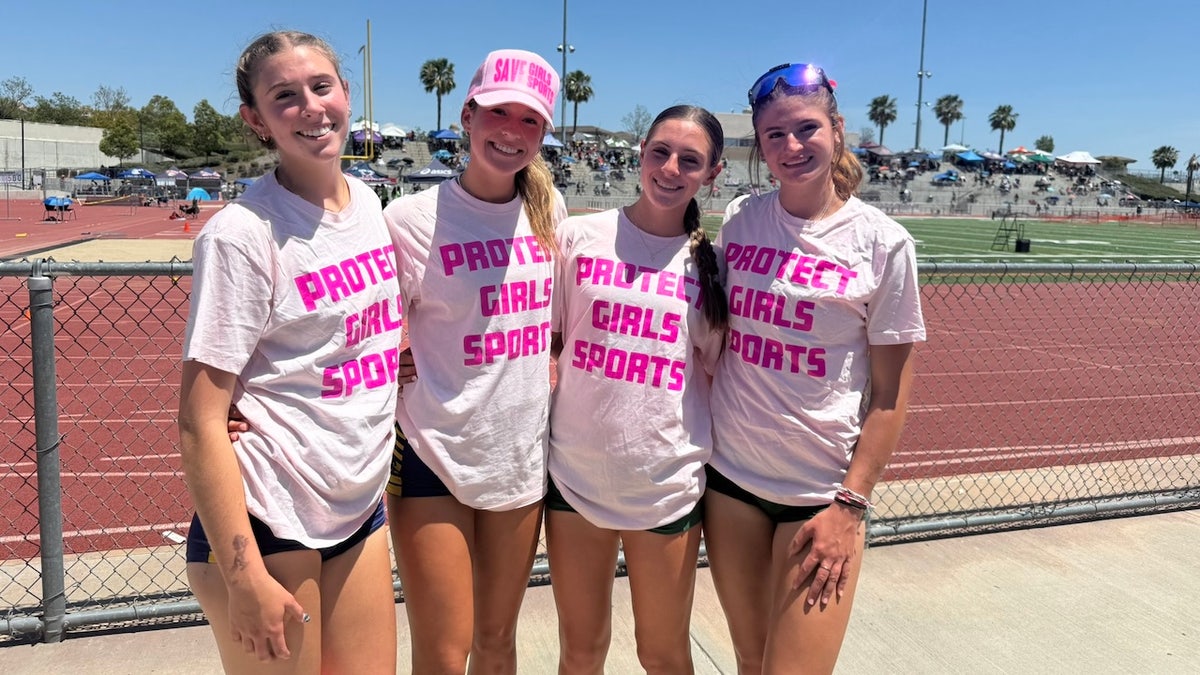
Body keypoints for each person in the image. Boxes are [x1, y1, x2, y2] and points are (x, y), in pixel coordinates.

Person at [177, 30, 401, 673]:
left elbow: (351, 335)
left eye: (320, 86)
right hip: (269, 519)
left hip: (358, 507)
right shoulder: (241, 237)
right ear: (256, 119)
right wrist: (243, 577)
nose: (310, 107)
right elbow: (199, 420)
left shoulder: (367, 201)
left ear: (346, 93)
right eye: (284, 96)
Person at [703, 63, 926, 673]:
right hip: (730, 485)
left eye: (805, 128)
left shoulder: (883, 244)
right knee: (751, 660)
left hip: (819, 496)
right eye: (774, 134)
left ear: (837, 129)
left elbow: (889, 397)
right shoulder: (742, 219)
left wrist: (850, 507)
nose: (791, 146)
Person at [382, 48, 566, 673]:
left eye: (531, 121)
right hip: (432, 450)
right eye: (498, 112)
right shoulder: (407, 220)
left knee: (496, 640)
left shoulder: (550, 212)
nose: (512, 132)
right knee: (443, 647)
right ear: (467, 114)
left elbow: (564, 324)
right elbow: (354, 330)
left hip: (517, 454)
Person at [545, 104, 728, 674]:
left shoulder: (710, 266)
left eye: (690, 160)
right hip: (575, 480)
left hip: (665, 485)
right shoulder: (580, 235)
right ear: (641, 155)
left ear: (712, 173)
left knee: (664, 653)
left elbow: (716, 373)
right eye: (660, 152)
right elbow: (548, 341)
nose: (671, 168)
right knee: (580, 651)